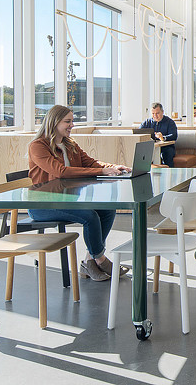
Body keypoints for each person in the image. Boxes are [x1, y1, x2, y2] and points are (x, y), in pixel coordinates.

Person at [27, 105, 131, 282]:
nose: (71, 125)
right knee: (89, 216)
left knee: (107, 210)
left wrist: (111, 167)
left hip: (66, 200)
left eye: (72, 121)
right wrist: (101, 172)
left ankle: (89, 261)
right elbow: (61, 171)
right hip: (43, 204)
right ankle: (100, 259)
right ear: (54, 122)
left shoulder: (70, 144)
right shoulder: (38, 146)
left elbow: (90, 163)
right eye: (67, 121)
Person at [140, 103, 178, 167]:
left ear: (162, 112)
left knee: (167, 153)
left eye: (157, 113)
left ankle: (170, 173)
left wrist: (163, 138)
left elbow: (174, 135)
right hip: (150, 147)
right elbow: (139, 133)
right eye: (153, 113)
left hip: (166, 147)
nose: (155, 116)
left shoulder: (170, 122)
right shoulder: (147, 122)